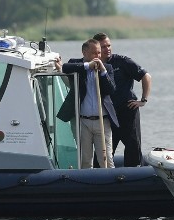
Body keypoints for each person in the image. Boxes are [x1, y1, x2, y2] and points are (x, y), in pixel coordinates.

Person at [55, 39, 118, 168]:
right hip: (83, 122)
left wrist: (103, 72)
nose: (98, 56)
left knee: (106, 160)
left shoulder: (108, 68)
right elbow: (66, 67)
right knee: (85, 159)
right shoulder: (76, 65)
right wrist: (87, 66)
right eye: (94, 53)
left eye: (99, 53)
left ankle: (109, 184)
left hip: (103, 121)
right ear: (84, 52)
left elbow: (111, 90)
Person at [93, 32, 151, 166]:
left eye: (109, 45)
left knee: (132, 147)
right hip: (108, 114)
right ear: (96, 49)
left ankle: (134, 175)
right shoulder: (92, 64)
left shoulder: (123, 61)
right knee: (105, 150)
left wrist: (143, 100)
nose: (107, 49)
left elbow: (146, 76)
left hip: (127, 110)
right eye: (103, 47)